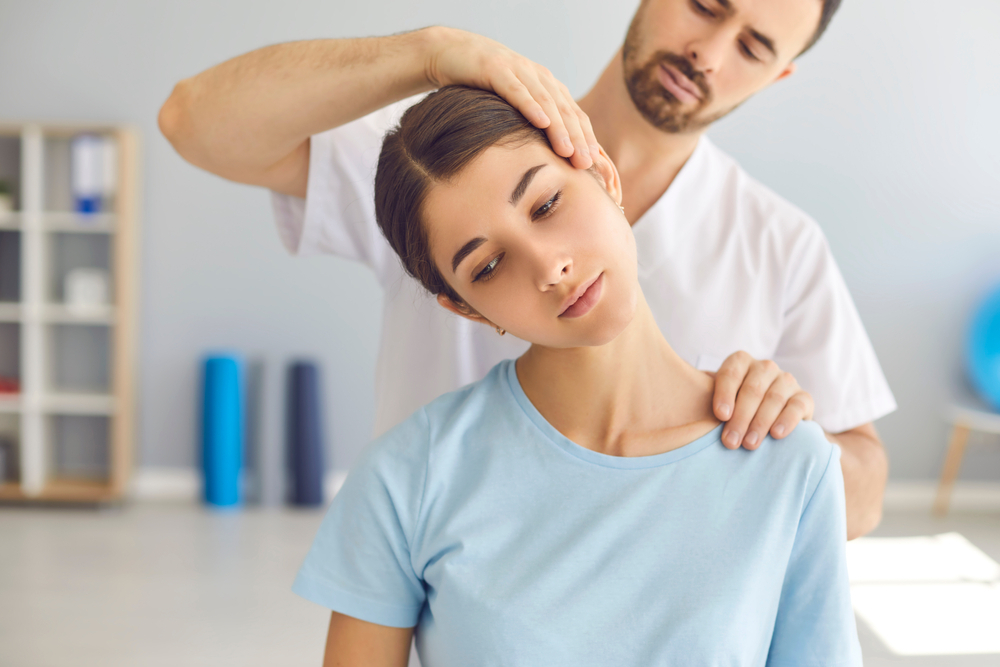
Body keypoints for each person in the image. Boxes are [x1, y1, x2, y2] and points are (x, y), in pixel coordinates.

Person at [158, 0, 895, 538]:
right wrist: (426, 50)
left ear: (779, 75)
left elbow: (862, 491)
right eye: (705, 6)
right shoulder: (443, 170)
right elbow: (193, 122)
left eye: (754, 47)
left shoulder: (781, 244)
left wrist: (790, 432)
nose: (709, 52)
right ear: (456, 300)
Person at [294, 85, 862, 666]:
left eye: (545, 206)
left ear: (604, 176)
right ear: (467, 309)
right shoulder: (407, 476)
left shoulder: (789, 463)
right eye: (488, 266)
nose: (549, 266)